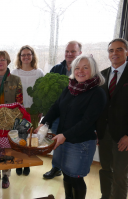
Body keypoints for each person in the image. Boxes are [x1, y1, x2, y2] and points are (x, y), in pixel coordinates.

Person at [35, 55, 107, 199]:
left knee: (76, 177)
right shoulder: (70, 87)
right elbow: (56, 107)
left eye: (85, 67)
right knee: (66, 174)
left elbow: (87, 121)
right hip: (63, 139)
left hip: (80, 142)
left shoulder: (97, 93)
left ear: (93, 70)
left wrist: (65, 135)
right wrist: (44, 122)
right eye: (77, 68)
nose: (80, 71)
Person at [88, 38, 128, 199]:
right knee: (105, 169)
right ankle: (106, 198)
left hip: (124, 137)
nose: (114, 53)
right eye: (111, 50)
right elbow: (100, 107)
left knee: (120, 176)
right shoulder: (102, 75)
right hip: (104, 134)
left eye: (119, 50)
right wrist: (96, 132)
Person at [43, 41, 83, 180]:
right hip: (57, 114)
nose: (69, 54)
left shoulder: (82, 71)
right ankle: (56, 168)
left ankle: (69, 170)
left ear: (80, 53)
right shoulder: (56, 68)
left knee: (71, 142)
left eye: (73, 51)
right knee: (57, 141)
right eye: (67, 51)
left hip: (75, 116)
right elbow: (46, 90)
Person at [0, 50, 23, 189]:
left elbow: (19, 102)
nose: (0, 62)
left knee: (7, 148)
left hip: (8, 120)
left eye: (3, 60)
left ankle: (6, 175)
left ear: (8, 62)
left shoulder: (15, 79)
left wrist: (17, 122)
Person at [11, 45, 45, 177]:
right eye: (23, 55)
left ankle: (27, 164)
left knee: (31, 138)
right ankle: (19, 163)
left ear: (32, 56)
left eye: (28, 54)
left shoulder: (39, 72)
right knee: (19, 138)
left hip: (33, 110)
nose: (26, 57)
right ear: (20, 57)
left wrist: (41, 109)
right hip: (18, 110)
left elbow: (42, 93)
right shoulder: (14, 73)